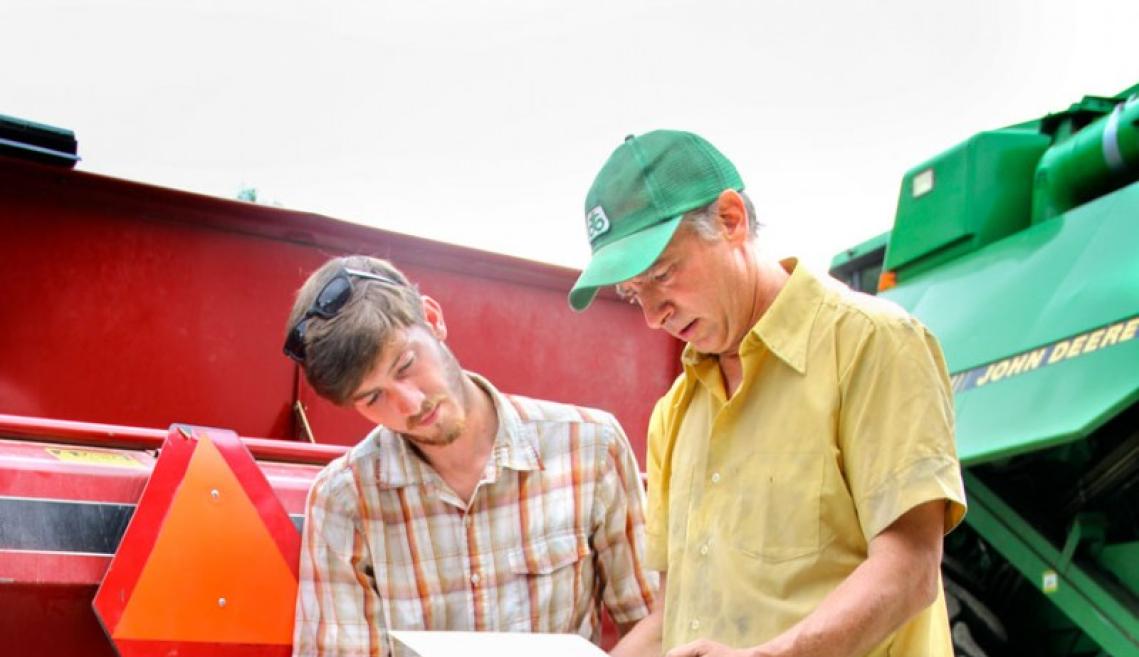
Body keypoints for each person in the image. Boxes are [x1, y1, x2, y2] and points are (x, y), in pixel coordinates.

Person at [570, 131, 967, 657]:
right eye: (631, 293)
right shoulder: (674, 414)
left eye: (662, 275)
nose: (651, 316)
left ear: (731, 220)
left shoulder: (872, 345)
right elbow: (674, 614)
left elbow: (910, 568)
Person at [284, 255, 657, 657]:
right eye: (373, 398)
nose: (409, 405)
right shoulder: (343, 499)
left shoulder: (592, 447)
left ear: (432, 318)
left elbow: (656, 622)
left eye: (406, 365)